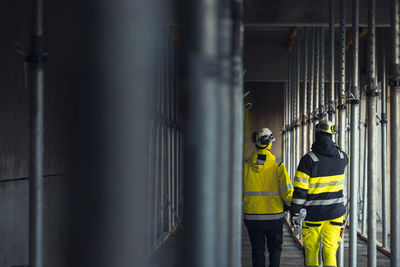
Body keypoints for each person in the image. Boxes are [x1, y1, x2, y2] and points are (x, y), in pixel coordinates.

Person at [290, 120, 349, 267]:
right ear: (332, 134)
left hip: (313, 215)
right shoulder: (342, 157)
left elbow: (300, 191)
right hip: (335, 214)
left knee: (311, 250)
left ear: (316, 135)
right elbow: (341, 152)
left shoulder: (308, 159)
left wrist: (295, 213)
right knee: (330, 252)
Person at [243, 127, 293, 267]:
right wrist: (291, 206)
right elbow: (287, 192)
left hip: (252, 217)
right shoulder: (278, 166)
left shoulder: (245, 166)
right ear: (268, 142)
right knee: (275, 250)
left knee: (257, 251)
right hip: (274, 218)